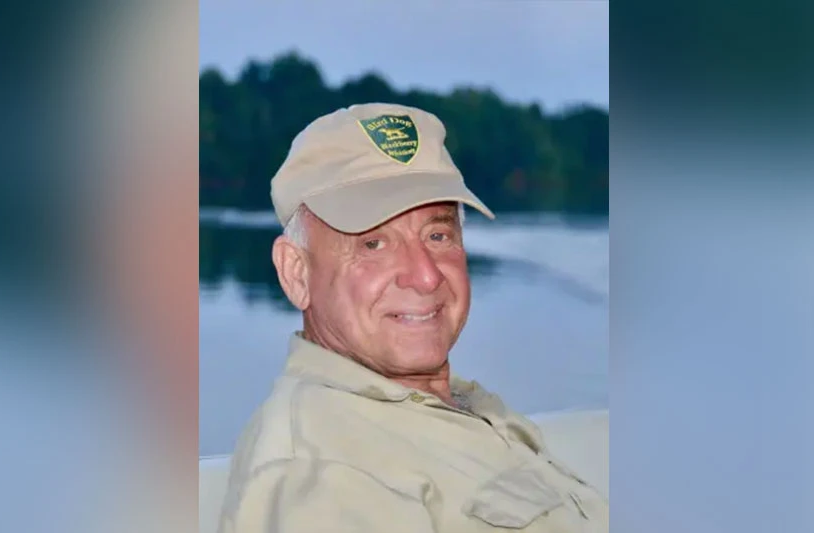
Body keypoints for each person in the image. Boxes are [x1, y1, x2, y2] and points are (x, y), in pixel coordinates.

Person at [217, 102, 609, 532]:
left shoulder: (451, 404)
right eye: (373, 245)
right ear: (297, 272)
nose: (425, 276)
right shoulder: (324, 478)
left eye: (438, 235)